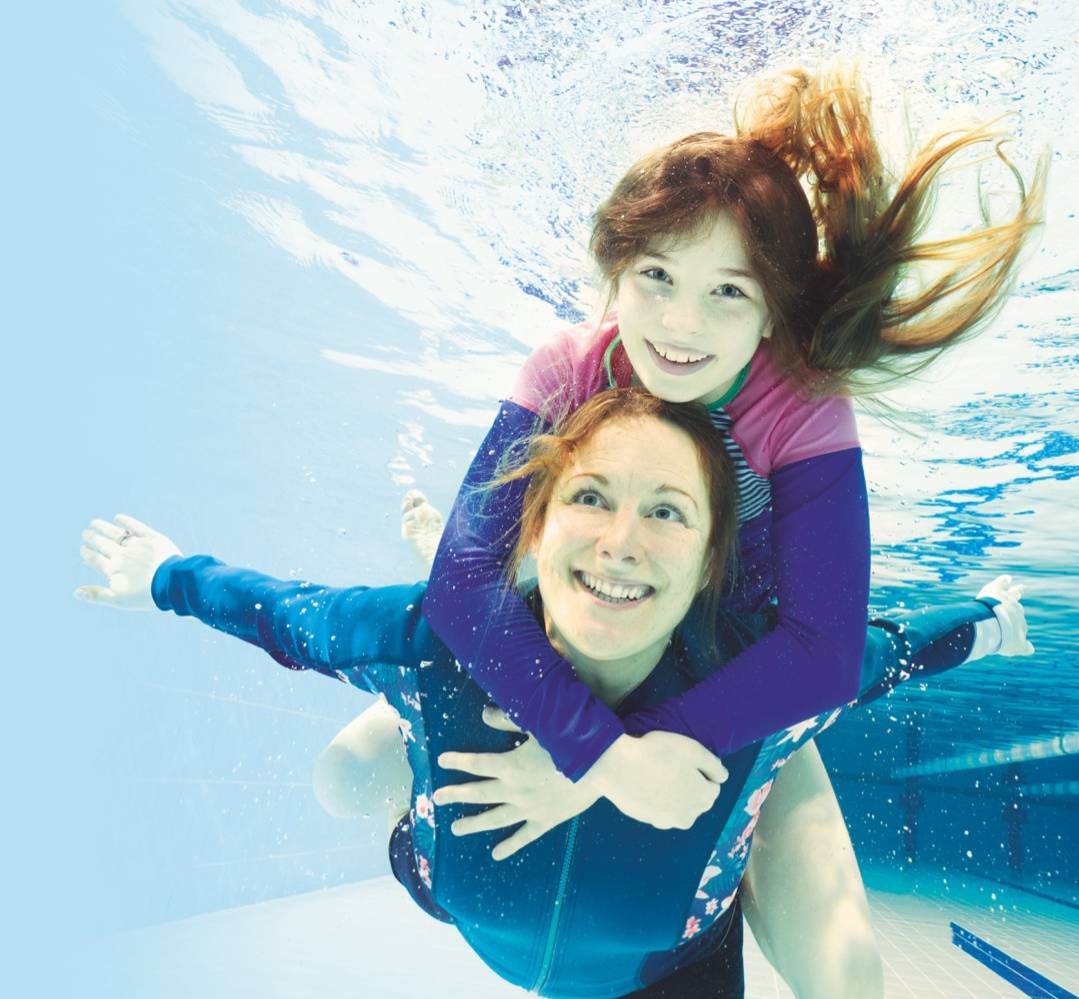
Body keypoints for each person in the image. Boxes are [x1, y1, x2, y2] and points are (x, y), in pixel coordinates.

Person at [77, 390, 1028, 998]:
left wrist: (987, 622)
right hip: (456, 871)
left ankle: (767, 790)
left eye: (665, 511)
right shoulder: (433, 638)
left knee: (847, 977)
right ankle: (407, 708)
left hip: (674, 962)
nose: (620, 540)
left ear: (707, 564)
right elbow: (287, 614)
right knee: (339, 777)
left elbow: (889, 651)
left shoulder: (763, 671)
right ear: (529, 527)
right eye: (588, 497)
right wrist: (166, 573)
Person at [420, 64, 1045, 833]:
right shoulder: (567, 368)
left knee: (863, 664)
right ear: (615, 271)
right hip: (630, 590)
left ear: (773, 312)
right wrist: (607, 761)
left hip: (746, 615)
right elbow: (457, 581)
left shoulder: (803, 404)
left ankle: (987, 619)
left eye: (728, 291)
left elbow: (818, 650)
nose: (681, 325)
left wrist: (587, 768)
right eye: (656, 275)